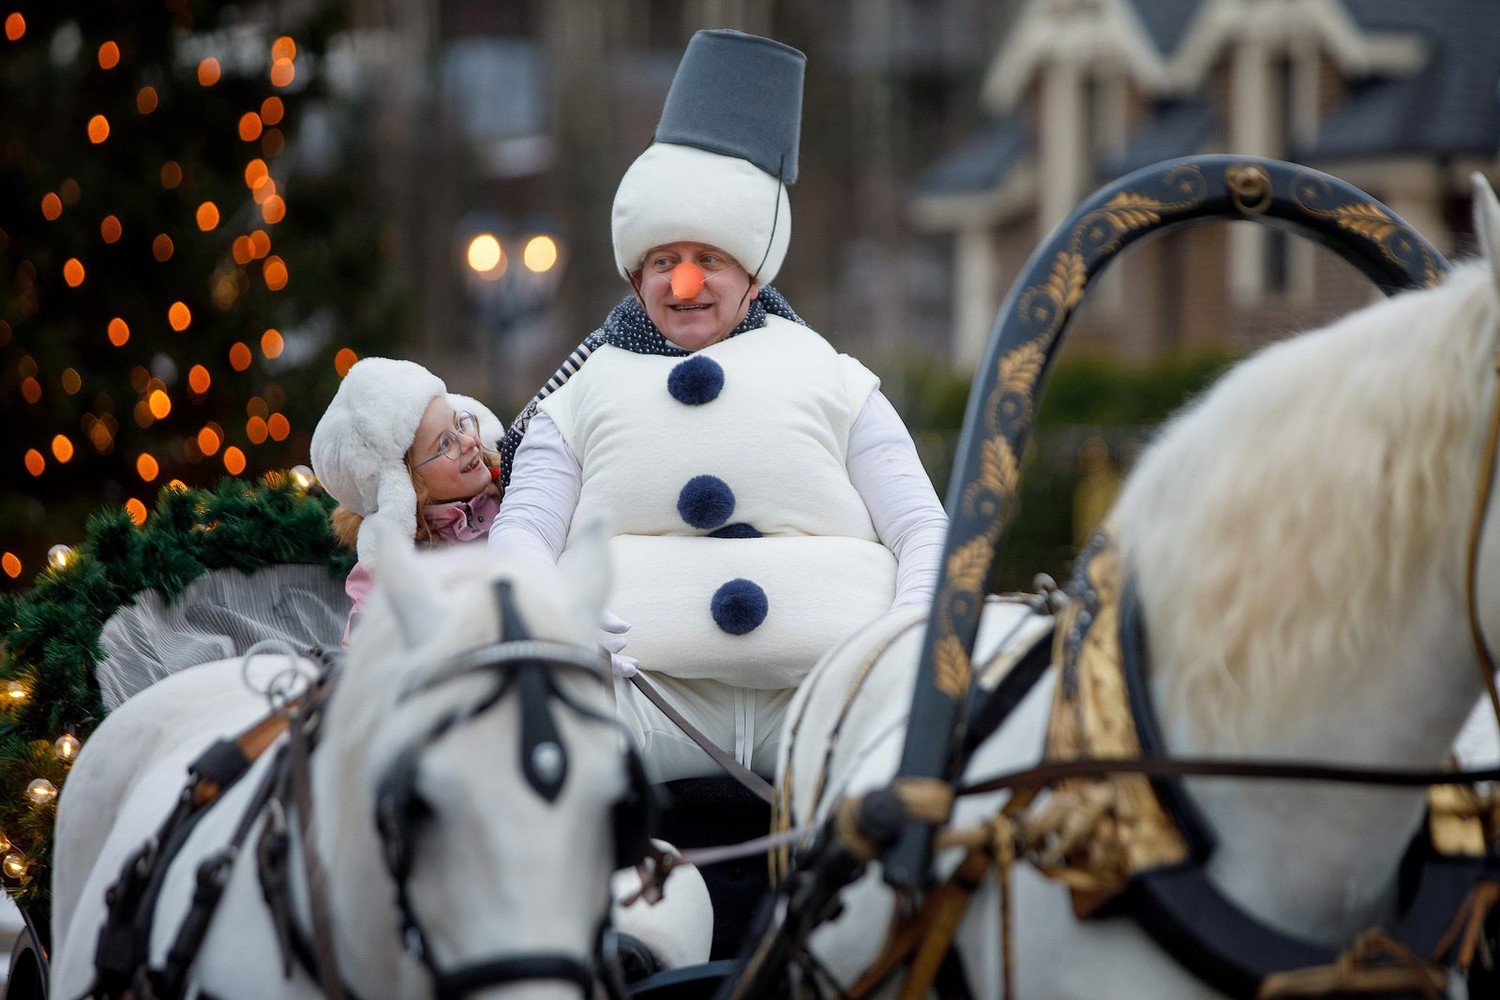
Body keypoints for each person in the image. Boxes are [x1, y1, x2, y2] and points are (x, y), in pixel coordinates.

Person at [489, 29, 949, 783]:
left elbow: (924, 527)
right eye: (664, 262)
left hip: (833, 695)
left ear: (754, 274)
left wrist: (906, 631)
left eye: (709, 260)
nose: (684, 285)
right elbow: (523, 533)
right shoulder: (576, 397)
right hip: (634, 700)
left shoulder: (835, 379)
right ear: (636, 279)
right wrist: (550, 607)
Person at [310, 356, 507, 646]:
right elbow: (368, 657)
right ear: (404, 485)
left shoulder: (515, 491)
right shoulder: (391, 580)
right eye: (444, 444)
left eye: (460, 423)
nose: (468, 442)